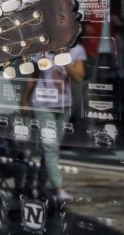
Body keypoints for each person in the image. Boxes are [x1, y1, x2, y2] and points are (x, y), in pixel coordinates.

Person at [23, 43, 86, 202]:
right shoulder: (40, 50)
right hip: (43, 105)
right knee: (50, 146)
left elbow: (78, 77)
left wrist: (63, 57)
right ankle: (58, 188)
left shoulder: (76, 50)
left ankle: (39, 184)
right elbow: (32, 78)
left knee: (51, 147)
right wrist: (24, 101)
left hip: (64, 106)